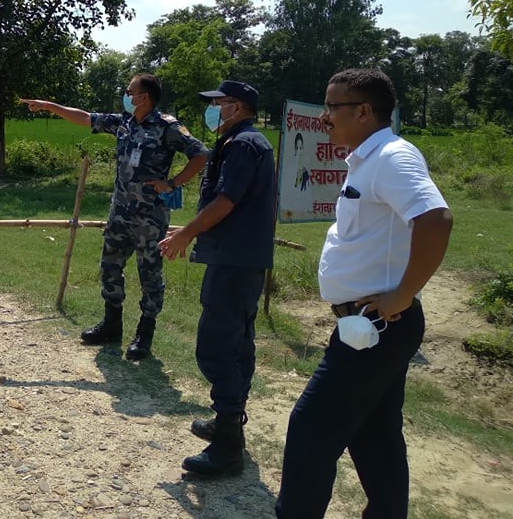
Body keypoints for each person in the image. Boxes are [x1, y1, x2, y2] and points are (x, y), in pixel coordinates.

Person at [275, 69, 452, 518]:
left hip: (380, 324)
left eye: (332, 107)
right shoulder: (367, 160)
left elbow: (435, 219)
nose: (324, 118)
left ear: (364, 111)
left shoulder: (392, 157)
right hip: (370, 325)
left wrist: (403, 294)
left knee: (311, 428)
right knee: (375, 435)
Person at [20, 74, 208, 360]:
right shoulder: (124, 122)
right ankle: (111, 325)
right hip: (119, 212)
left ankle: (144, 333)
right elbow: (85, 118)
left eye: (130, 91)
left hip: (149, 216)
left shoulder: (167, 127)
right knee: (110, 266)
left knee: (149, 272)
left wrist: (172, 183)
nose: (126, 96)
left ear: (144, 97)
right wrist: (49, 106)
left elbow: (200, 154)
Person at [159, 79, 275, 476]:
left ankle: (227, 447)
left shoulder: (242, 144)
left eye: (219, 103)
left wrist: (187, 233)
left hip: (234, 260)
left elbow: (225, 201)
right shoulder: (245, 141)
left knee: (216, 347)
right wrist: (189, 230)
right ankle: (229, 421)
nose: (213, 110)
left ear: (237, 107)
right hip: (241, 259)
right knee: (238, 344)